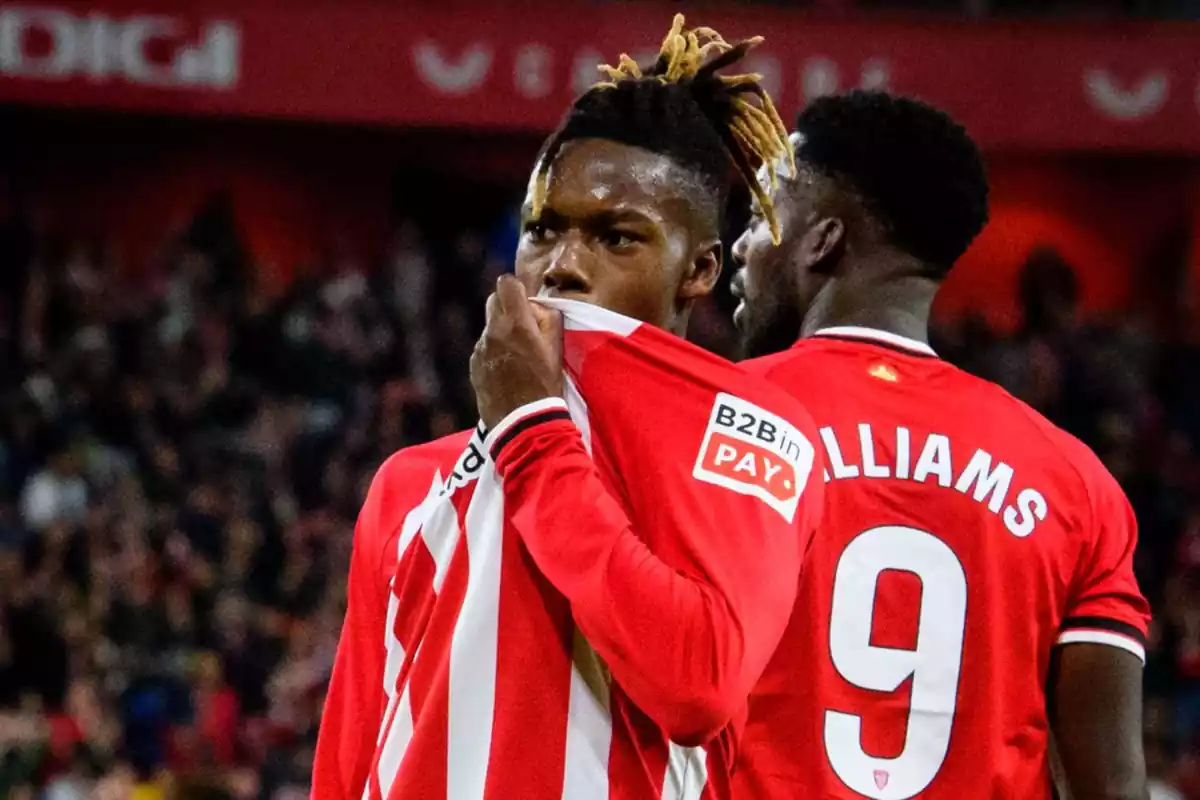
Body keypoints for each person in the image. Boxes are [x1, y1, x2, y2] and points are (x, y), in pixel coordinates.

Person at [313, 16, 824, 798]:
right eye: (542, 231)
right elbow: (349, 764)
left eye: (617, 239)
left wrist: (530, 433)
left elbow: (697, 683)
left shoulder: (748, 433)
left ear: (700, 270)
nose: (562, 267)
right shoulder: (409, 486)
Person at [728, 90, 1151, 800]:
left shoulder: (709, 416)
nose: (741, 243)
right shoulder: (1076, 480)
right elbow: (1111, 787)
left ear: (823, 240)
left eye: (763, 212)